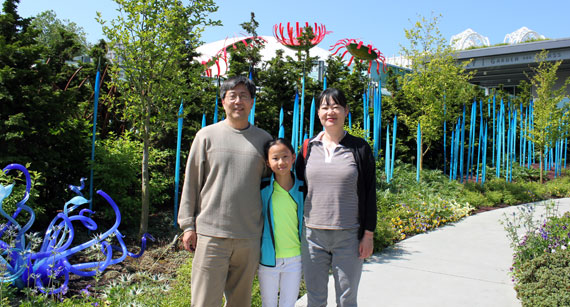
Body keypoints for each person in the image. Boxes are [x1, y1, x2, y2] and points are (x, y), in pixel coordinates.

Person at [178, 75, 272, 307]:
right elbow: (191, 182)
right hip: (211, 235)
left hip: (248, 237)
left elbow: (270, 190)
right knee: (204, 301)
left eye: (244, 96)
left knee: (240, 302)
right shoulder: (206, 136)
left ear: (252, 102)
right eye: (232, 96)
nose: (238, 101)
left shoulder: (264, 140)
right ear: (223, 101)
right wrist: (188, 226)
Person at [295, 87, 377, 307]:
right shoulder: (308, 148)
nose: (330, 111)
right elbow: (296, 186)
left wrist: (368, 234)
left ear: (346, 111)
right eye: (325, 107)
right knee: (315, 298)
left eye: (336, 106)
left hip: (348, 236)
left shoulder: (359, 148)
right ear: (319, 113)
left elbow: (370, 193)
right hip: (313, 235)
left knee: (346, 299)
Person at [259, 138, 305, 307]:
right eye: (275, 158)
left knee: (288, 303)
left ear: (293, 157)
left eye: (285, 157)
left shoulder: (302, 188)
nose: (281, 162)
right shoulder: (262, 188)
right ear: (267, 162)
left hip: (295, 258)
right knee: (268, 303)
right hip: (269, 258)